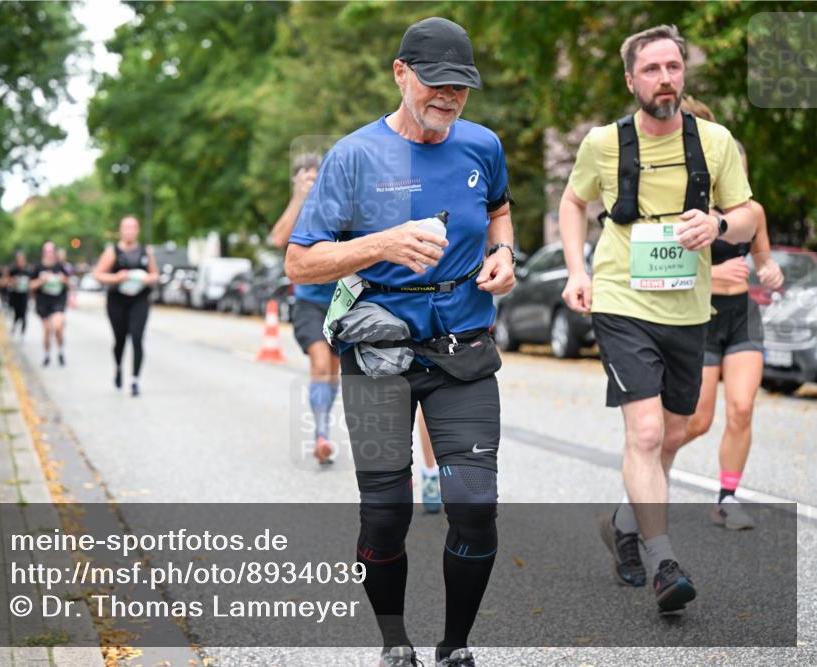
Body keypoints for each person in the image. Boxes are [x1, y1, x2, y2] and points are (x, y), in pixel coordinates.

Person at [286, 17, 515, 667]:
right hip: (378, 355)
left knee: (475, 505)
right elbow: (301, 261)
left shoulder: (482, 146)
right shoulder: (354, 156)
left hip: (463, 349)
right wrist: (381, 244)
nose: (448, 97)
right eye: (435, 83)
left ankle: (455, 647)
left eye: (460, 86)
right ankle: (395, 643)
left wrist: (504, 252)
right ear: (400, 73)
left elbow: (499, 209)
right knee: (385, 515)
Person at [558, 25, 756, 613]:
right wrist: (576, 270)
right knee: (645, 433)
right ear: (631, 80)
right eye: (651, 69)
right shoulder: (603, 143)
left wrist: (718, 224)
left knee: (673, 433)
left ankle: (624, 524)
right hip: (622, 301)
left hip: (688, 307)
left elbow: (748, 213)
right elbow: (573, 201)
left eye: (673, 67)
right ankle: (663, 561)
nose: (665, 78)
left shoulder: (715, 142)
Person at [674, 96, 783, 530]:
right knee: (699, 420)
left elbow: (764, 261)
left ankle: (727, 498)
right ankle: (647, 463)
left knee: (741, 409)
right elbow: (670, 269)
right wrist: (714, 273)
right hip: (702, 317)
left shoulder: (752, 213)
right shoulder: (692, 212)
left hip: (743, 317)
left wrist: (770, 272)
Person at [269, 152, 342, 463]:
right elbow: (277, 239)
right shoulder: (299, 211)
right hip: (309, 302)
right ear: (296, 181)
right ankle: (321, 435)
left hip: (340, 303)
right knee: (320, 363)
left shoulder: (336, 205)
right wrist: (299, 197)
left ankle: (323, 431)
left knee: (334, 371)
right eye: (307, 177)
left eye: (317, 176)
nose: (314, 182)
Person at [93, 216, 160, 396]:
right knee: (120, 340)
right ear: (121, 231)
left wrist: (148, 279)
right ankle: (118, 367)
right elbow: (98, 274)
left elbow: (155, 275)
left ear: (137, 230)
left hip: (139, 300)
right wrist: (116, 278)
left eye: (133, 228)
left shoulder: (145, 251)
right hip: (117, 301)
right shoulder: (112, 251)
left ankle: (135, 380)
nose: (129, 231)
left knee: (137, 338)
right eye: (126, 228)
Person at [30, 241, 71, 367]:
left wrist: (63, 279)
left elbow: (69, 283)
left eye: (51, 251)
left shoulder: (61, 266)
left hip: (58, 301)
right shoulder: (38, 267)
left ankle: (60, 351)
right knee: (47, 330)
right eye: (47, 251)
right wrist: (41, 280)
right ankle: (47, 355)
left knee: (58, 327)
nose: (49, 254)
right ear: (43, 253)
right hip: (43, 302)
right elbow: (31, 286)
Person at [1, 251, 32, 338]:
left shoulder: (28, 270)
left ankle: (23, 330)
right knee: (16, 312)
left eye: (22, 260)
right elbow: (3, 282)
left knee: (24, 312)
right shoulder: (12, 270)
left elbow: (32, 283)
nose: (20, 262)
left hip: (24, 295)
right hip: (14, 295)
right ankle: (15, 325)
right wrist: (12, 280)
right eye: (18, 260)